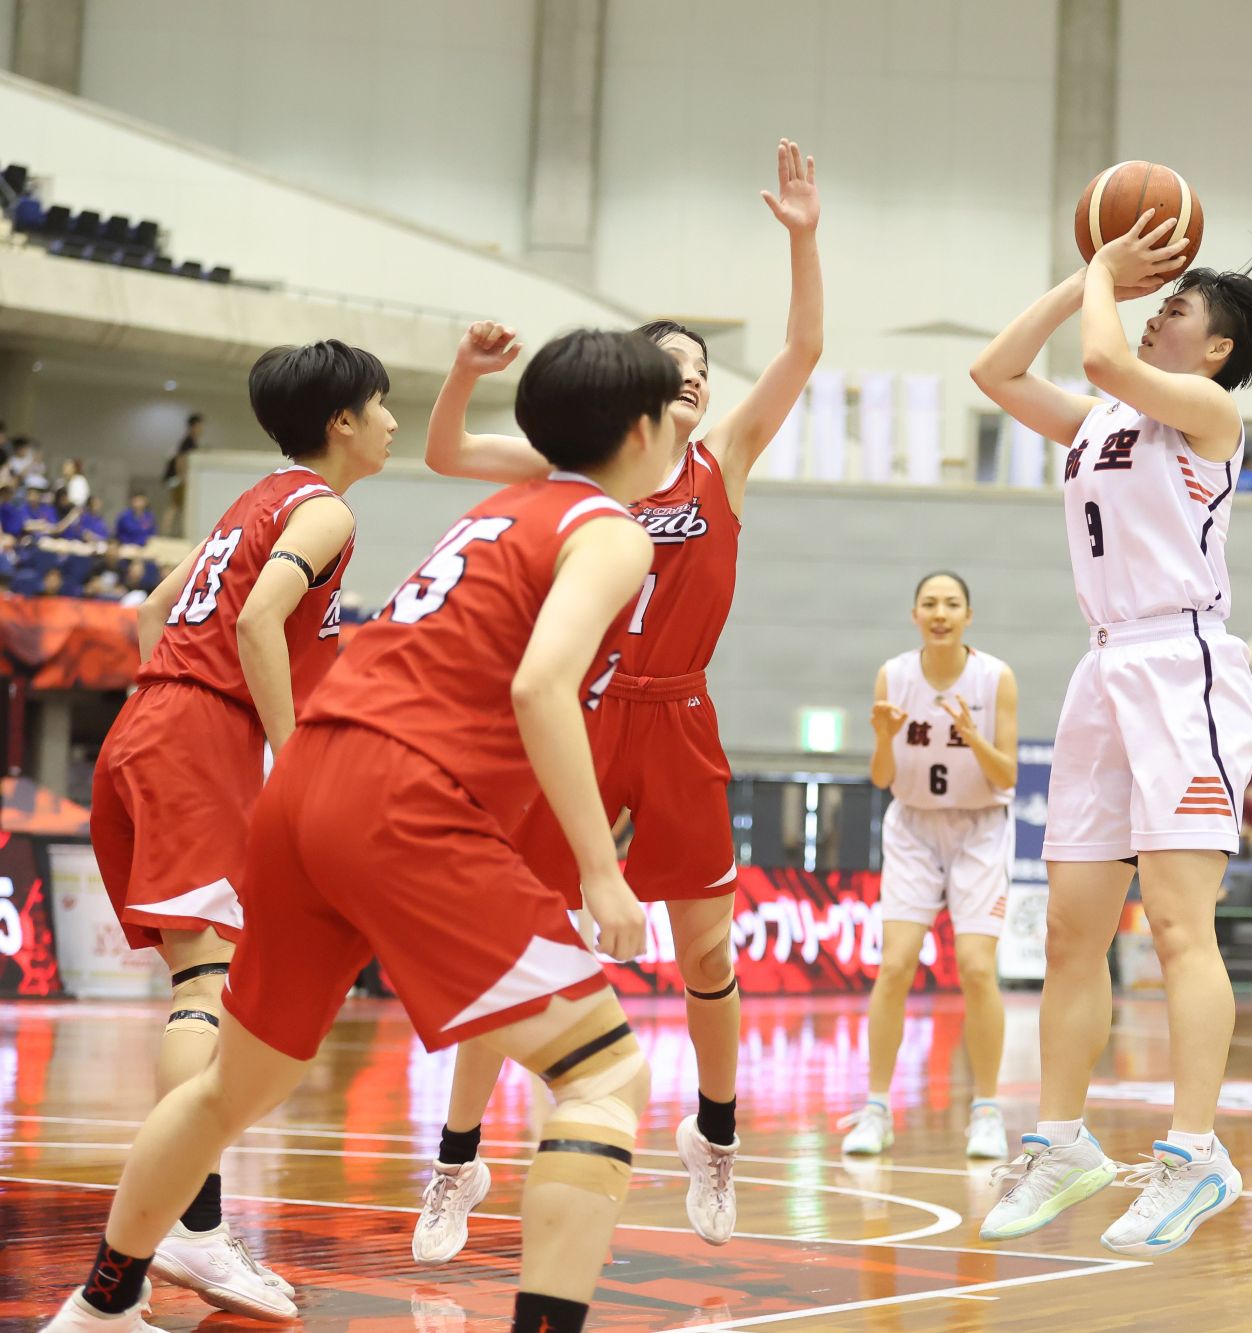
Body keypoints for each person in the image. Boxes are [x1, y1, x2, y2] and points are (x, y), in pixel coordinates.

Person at [411, 140, 824, 1260]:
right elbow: (446, 447)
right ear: (634, 393)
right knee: (520, 939)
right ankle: (455, 1159)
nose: (690, 369)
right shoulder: (579, 474)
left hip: (678, 715)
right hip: (579, 711)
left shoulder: (724, 459)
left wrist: (800, 238)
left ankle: (717, 1135)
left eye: (700, 360)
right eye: (670, 360)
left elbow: (801, 348)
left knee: (704, 955)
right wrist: (462, 370)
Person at [968, 207, 1252, 1254]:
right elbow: (996, 370)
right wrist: (1082, 279)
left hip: (1182, 667)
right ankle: (1061, 1140)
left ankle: (1196, 1151)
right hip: (1103, 665)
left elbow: (1103, 354)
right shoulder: (1100, 423)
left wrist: (1104, 281)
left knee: (1174, 924)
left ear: (1215, 348)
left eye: (1179, 307)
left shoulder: (1204, 410)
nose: (1156, 314)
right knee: (1070, 927)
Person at [57, 342, 392, 1325]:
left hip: (148, 724)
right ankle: (194, 1232)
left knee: (200, 980)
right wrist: (290, 758)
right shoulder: (324, 509)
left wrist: (171, 705)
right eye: (379, 407)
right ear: (341, 420)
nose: (389, 424)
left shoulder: (257, 500)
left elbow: (155, 609)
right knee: (208, 984)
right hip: (200, 734)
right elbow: (255, 623)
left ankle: (188, 1229)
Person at [839, 571, 1019, 1161]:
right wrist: (884, 738)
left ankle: (987, 1111)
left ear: (969, 616)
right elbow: (882, 779)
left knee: (975, 969)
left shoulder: (995, 678)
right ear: (914, 615)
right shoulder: (895, 675)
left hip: (979, 828)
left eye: (952, 604)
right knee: (894, 966)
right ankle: (875, 1108)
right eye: (929, 604)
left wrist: (972, 736)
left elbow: (1008, 776)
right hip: (914, 826)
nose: (940, 612)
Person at [164, 413, 203, 536]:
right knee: (175, 505)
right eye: (200, 426)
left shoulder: (190, 441)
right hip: (178, 478)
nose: (201, 429)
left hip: (179, 478)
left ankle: (175, 532)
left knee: (179, 506)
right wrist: (183, 478)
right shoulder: (188, 441)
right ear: (194, 426)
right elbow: (180, 459)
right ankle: (166, 532)